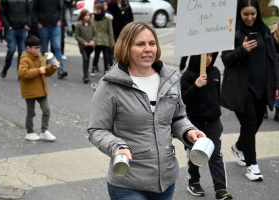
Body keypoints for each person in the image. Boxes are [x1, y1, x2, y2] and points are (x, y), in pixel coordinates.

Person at [87, 22, 206, 200]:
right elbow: (97, 129)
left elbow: (178, 117)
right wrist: (117, 147)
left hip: (165, 181)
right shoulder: (110, 85)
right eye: (140, 44)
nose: (148, 49)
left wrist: (188, 131)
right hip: (127, 183)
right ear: (126, 48)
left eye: (152, 43)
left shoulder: (171, 79)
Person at [221, 0, 279, 181]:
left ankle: (238, 147)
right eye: (245, 14)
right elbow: (226, 59)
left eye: (253, 14)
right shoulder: (233, 31)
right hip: (242, 89)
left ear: (258, 13)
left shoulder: (265, 31)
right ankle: (252, 165)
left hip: (262, 87)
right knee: (249, 124)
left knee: (256, 124)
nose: (249, 18)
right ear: (239, 13)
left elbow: (273, 59)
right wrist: (242, 50)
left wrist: (277, 85)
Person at [180, 53, 233, 200]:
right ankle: (194, 181)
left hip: (213, 122)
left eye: (211, 55)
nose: (208, 58)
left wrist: (217, 114)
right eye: (205, 55)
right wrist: (196, 86)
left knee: (215, 154)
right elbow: (183, 101)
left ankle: (220, 189)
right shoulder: (188, 76)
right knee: (195, 153)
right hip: (194, 123)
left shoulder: (215, 72)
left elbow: (216, 95)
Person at [18, 35, 58, 141]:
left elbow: (46, 72)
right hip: (30, 90)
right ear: (28, 48)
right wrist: (37, 70)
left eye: (39, 47)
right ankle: (29, 132)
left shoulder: (40, 58)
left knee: (46, 110)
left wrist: (53, 67)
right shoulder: (24, 59)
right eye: (36, 48)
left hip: (41, 89)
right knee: (31, 112)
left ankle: (44, 131)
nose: (38, 50)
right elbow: (23, 73)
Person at [32, 0, 68, 79]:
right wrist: (37, 23)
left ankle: (60, 69)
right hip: (43, 25)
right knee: (44, 49)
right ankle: (43, 68)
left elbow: (61, 8)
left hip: (55, 25)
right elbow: (34, 9)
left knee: (57, 47)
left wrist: (60, 20)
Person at [0, 0, 31, 79]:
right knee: (11, 50)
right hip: (11, 29)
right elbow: (2, 13)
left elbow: (29, 11)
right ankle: (6, 68)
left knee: (22, 52)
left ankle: (20, 72)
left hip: (23, 28)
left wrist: (28, 23)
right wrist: (7, 25)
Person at [91, 3, 114, 76]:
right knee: (96, 56)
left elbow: (110, 31)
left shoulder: (107, 19)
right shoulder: (93, 19)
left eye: (96, 10)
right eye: (94, 10)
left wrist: (112, 43)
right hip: (97, 41)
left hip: (105, 40)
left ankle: (106, 69)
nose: (95, 11)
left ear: (100, 10)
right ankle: (94, 67)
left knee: (106, 56)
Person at [74, 9, 97, 83]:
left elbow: (95, 34)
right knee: (85, 59)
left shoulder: (92, 25)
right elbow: (77, 36)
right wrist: (84, 42)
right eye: (85, 15)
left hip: (90, 46)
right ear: (82, 16)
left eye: (88, 15)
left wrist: (92, 41)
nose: (87, 17)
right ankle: (85, 75)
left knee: (88, 59)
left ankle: (86, 73)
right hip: (83, 46)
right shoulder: (79, 25)